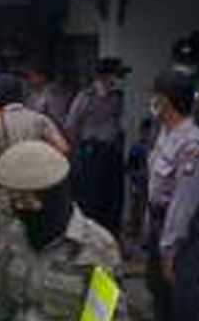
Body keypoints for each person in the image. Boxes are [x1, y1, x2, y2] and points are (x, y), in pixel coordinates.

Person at [0, 141, 127, 321]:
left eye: (28, 201)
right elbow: (1, 308)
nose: (21, 210)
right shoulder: (13, 238)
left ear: (54, 196)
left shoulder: (96, 247)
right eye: (15, 201)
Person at [147, 70, 199, 321]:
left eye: (155, 96)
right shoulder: (166, 133)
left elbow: (182, 206)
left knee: (185, 307)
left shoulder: (193, 147)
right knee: (161, 303)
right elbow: (154, 185)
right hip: (160, 228)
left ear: (165, 101)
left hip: (184, 239)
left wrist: (168, 252)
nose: (151, 101)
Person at [65, 57, 129, 236]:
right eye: (118, 75)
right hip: (91, 155)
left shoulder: (117, 96)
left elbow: (117, 124)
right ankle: (92, 248)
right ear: (105, 76)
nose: (120, 79)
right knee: (93, 204)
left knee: (114, 203)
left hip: (112, 155)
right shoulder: (85, 96)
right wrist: (78, 154)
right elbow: (71, 126)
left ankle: (112, 244)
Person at [126, 117, 154, 245]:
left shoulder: (155, 148)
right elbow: (129, 167)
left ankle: (145, 238)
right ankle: (134, 237)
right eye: (144, 131)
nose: (146, 134)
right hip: (139, 184)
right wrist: (136, 177)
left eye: (148, 132)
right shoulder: (136, 147)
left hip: (151, 185)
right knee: (136, 210)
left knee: (147, 212)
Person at [22, 60, 69, 126]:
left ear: (42, 76)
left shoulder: (53, 94)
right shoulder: (31, 93)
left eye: (31, 75)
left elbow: (57, 119)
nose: (29, 79)